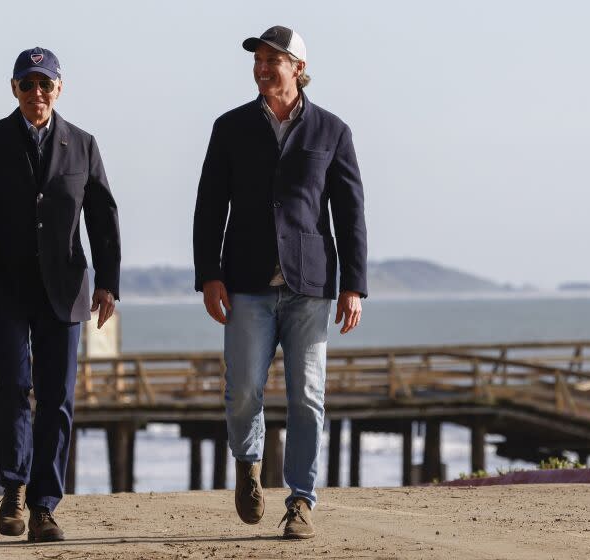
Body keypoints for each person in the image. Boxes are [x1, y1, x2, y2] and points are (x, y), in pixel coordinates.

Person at [193, 26, 367, 539]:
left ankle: (301, 500)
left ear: (298, 68)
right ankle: (249, 465)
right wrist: (208, 274)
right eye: (259, 60)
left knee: (307, 396)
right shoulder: (230, 127)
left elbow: (350, 214)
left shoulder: (332, 131)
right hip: (245, 280)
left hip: (309, 284)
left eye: (275, 60)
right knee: (244, 388)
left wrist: (353, 283)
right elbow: (209, 206)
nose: (264, 68)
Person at [0, 46, 121, 542]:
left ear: (59, 88)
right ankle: (15, 490)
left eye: (46, 84)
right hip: (3, 288)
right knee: (13, 387)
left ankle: (45, 505)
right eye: (28, 84)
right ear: (14, 89)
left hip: (64, 289)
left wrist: (108, 282)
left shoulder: (82, 144)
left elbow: (103, 218)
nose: (37, 93)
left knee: (59, 397)